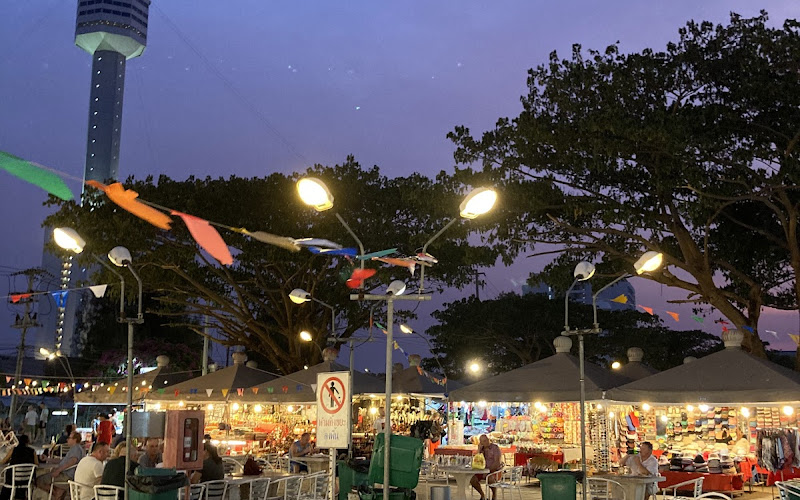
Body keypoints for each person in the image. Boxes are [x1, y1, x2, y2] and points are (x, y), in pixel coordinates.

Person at [37, 432, 85, 500]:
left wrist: (58, 470)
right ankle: (59, 491)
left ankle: (56, 493)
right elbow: (63, 461)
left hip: (66, 475)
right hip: (66, 474)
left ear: (75, 440)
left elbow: (72, 462)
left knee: (39, 480)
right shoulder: (76, 449)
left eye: (69, 438)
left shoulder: (76, 449)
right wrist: (47, 459)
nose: (67, 439)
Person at [0, 434, 38, 500]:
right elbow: (36, 464)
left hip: (12, 479)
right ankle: (20, 497)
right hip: (26, 480)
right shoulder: (32, 451)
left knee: (7, 485)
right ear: (28, 442)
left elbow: (4, 461)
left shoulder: (14, 450)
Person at [469, 435, 502, 500]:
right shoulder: (482, 449)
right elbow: (477, 460)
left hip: (493, 470)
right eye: (483, 441)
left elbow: (497, 462)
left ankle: (494, 494)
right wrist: (479, 450)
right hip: (482, 470)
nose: (486, 442)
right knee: (472, 479)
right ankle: (482, 495)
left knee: (490, 478)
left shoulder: (495, 448)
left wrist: (489, 471)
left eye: (486, 440)